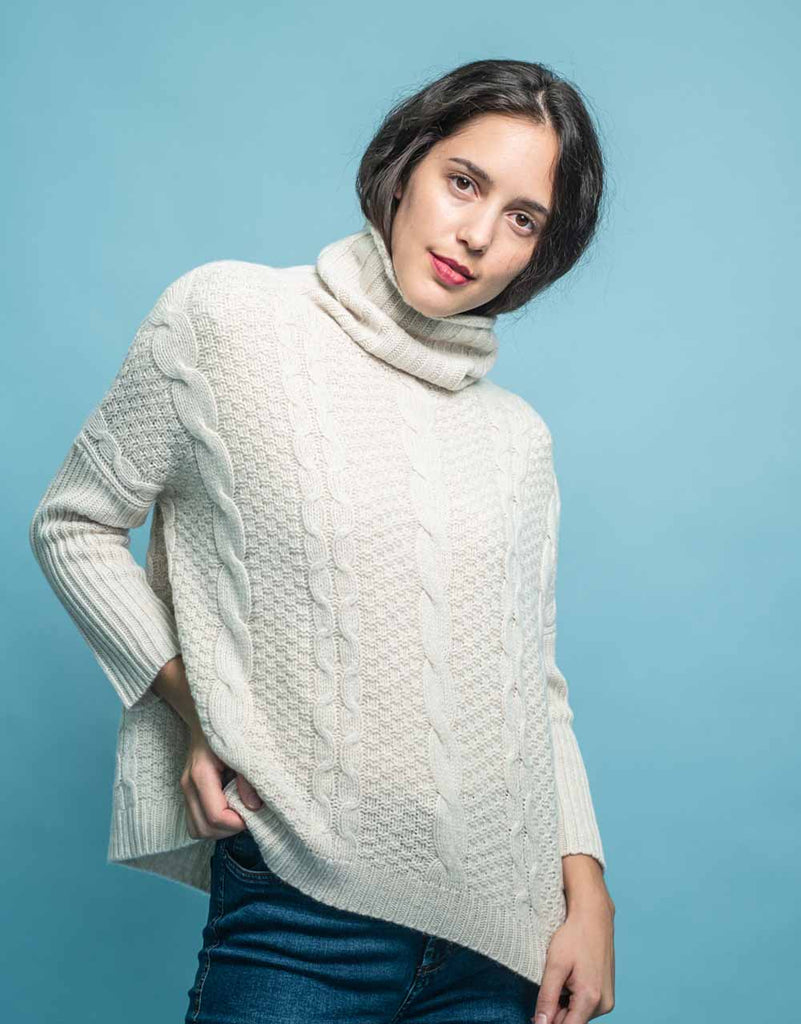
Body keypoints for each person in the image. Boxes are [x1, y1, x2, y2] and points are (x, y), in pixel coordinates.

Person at [29, 58, 615, 1024]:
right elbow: (74, 521)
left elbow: (530, 685)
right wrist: (200, 710)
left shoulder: (518, 440)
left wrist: (586, 893)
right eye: (462, 182)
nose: (476, 234)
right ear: (404, 167)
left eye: (521, 218)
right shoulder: (228, 319)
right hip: (302, 917)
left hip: (504, 945)